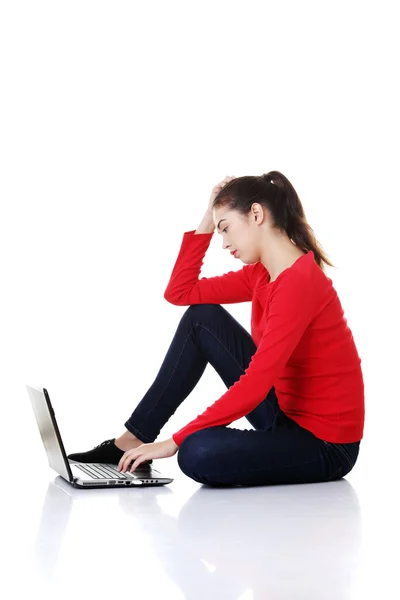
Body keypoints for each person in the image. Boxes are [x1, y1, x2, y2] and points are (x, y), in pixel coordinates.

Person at [68, 171, 365, 487]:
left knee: (195, 451)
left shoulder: (299, 283)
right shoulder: (261, 275)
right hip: (285, 413)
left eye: (226, 230)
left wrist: (176, 440)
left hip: (325, 444)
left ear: (256, 214)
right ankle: (131, 439)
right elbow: (180, 292)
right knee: (202, 318)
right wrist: (207, 220)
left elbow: (255, 385)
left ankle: (227, 444)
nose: (223, 243)